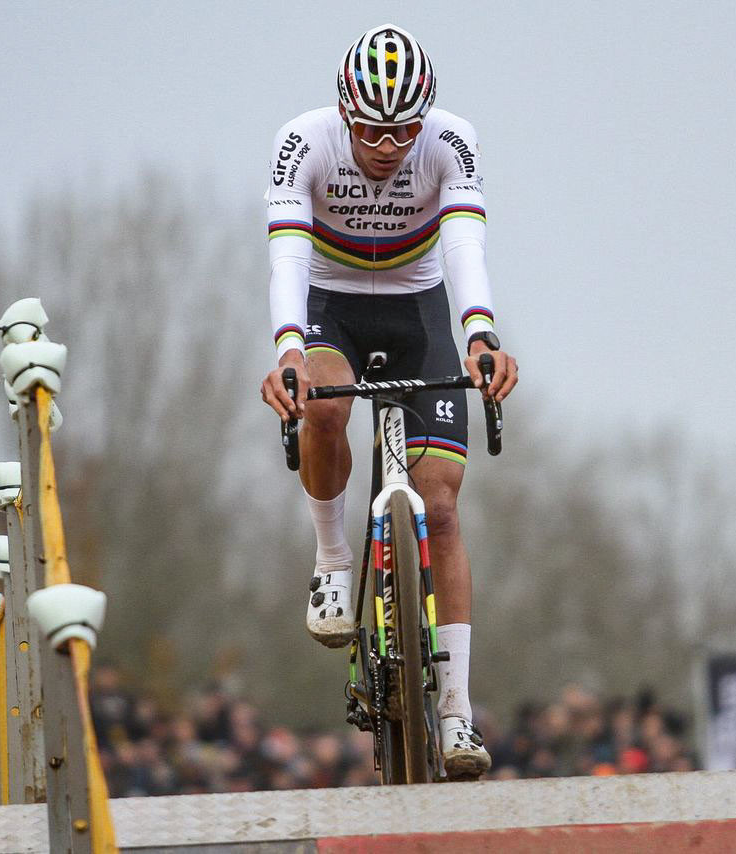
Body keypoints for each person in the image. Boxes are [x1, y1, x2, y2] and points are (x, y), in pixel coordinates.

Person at [259, 23, 518, 779]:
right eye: (371, 128)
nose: (387, 144)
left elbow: (465, 246)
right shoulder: (302, 143)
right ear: (344, 111)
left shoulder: (450, 142)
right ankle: (334, 558)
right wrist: (287, 352)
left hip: (419, 310)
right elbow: (288, 256)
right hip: (329, 306)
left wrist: (481, 337)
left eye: (404, 128)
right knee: (326, 408)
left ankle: (458, 713)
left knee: (439, 507)